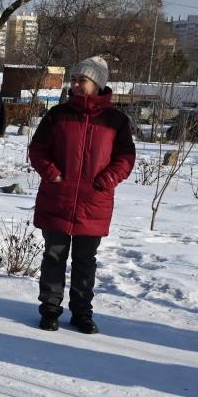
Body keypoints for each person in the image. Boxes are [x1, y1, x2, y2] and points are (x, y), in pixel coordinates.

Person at [29, 56, 135, 334]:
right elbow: (38, 149)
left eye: (82, 80)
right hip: (58, 198)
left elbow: (125, 156)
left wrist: (107, 179)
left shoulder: (116, 121)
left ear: (97, 83)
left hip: (94, 202)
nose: (75, 84)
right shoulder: (57, 115)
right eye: (73, 79)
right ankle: (50, 310)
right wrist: (51, 173)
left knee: (85, 261)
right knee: (54, 256)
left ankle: (81, 313)